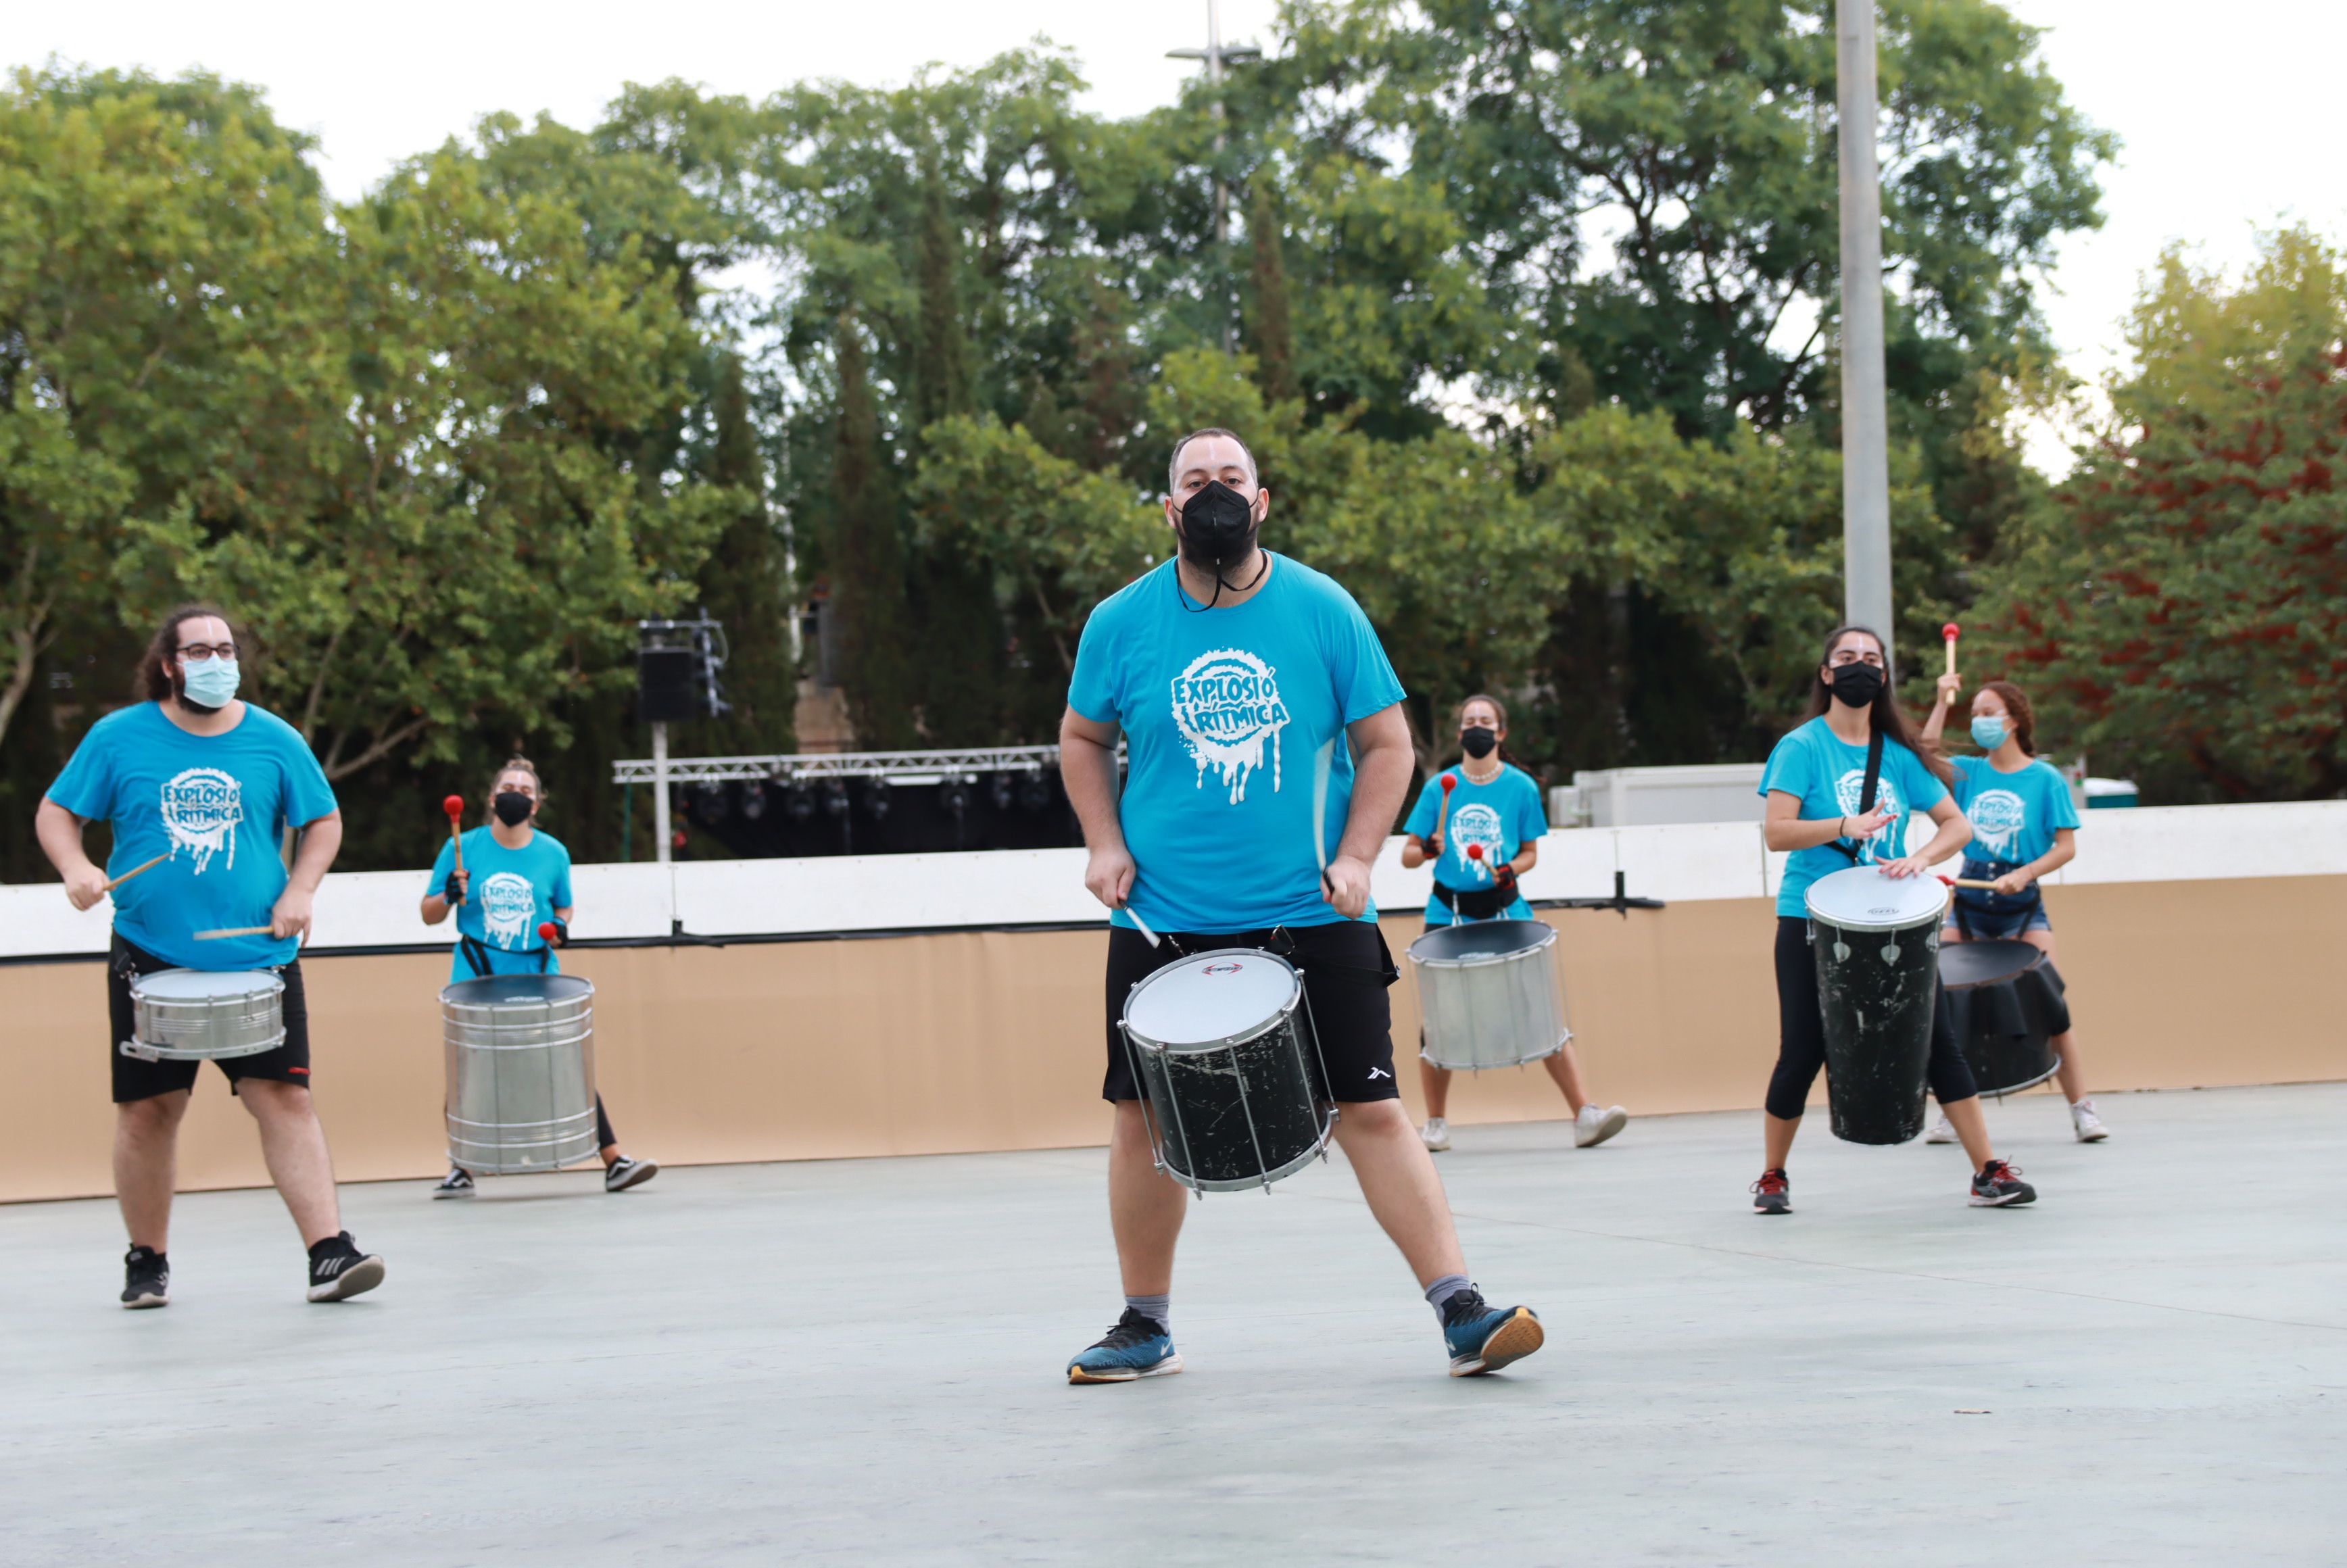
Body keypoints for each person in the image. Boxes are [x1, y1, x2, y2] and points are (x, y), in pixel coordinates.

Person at [1057, 426, 1545, 1382]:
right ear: (1168, 508)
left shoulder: (1323, 608)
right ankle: (1142, 1323)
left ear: (1263, 499)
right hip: (1162, 917)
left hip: (1314, 911)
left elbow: (1389, 745)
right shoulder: (1120, 622)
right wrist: (1104, 844)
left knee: (1370, 1106)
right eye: (1194, 482)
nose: (1213, 494)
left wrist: (1361, 856)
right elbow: (1081, 739)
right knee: (1139, 1119)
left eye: (1230, 479)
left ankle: (1461, 1311)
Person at [34, 606, 386, 1307]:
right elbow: (55, 812)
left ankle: (329, 1253)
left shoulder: (274, 739)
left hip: (259, 954)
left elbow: (323, 820)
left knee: (285, 1098)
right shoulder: (119, 736)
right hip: (152, 955)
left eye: (225, 647)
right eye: (199, 649)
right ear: (170, 662)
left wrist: (301, 889)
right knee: (148, 1111)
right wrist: (75, 868)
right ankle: (147, 1260)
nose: (216, 659)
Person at [1750, 624, 2037, 1215]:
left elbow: (1956, 825)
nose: (1860, 666)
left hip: (1894, 923)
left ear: (1883, 675)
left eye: (1871, 659)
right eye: (1847, 658)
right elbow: (1776, 833)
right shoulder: (1801, 747)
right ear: (1827, 674)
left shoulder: (1899, 753)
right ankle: (1773, 1175)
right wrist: (1843, 826)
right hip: (1812, 916)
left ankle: (1988, 1170)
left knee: (1938, 1043)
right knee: (1802, 1048)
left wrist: (1921, 858)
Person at [1400, 694, 1626, 1153]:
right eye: (1469, 721)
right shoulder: (1439, 787)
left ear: (1501, 733)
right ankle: (1436, 1125)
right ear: (1460, 732)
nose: (1476, 727)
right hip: (1449, 912)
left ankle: (1585, 1114)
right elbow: (1407, 855)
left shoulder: (1522, 788)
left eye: (1486, 721)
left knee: (1538, 1008)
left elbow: (1530, 853)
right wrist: (1427, 849)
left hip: (1507, 909)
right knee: (1439, 1023)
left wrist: (1511, 869)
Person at [421, 758, 657, 1196]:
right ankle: (462, 1167)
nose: (516, 794)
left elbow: (564, 906)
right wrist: (449, 896)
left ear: (536, 803)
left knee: (566, 1065)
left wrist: (562, 926)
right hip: (476, 973)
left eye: (525, 789)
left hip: (538, 972)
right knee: (468, 1072)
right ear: (492, 799)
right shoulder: (463, 846)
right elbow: (428, 914)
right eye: (508, 787)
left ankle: (614, 1161)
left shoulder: (553, 852)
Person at [1920, 671, 2107, 1142]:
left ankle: (2082, 1108)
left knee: (2052, 1006)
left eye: (1989, 713)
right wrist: (1943, 701)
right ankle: (1953, 1109)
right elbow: (1922, 754)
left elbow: (2066, 846)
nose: (1980, 720)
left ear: (2014, 719)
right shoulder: (1969, 772)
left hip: (2022, 905)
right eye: (1975, 712)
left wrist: (2025, 873)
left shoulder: (2045, 778)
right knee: (1943, 1007)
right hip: (1968, 901)